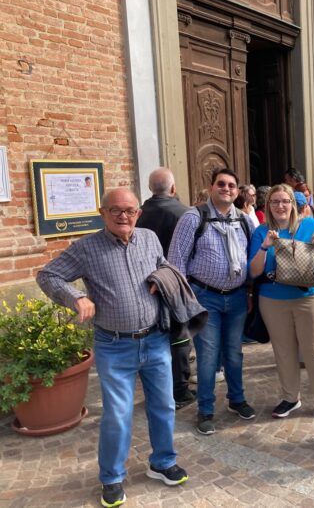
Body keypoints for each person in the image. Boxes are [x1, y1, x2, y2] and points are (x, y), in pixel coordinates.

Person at [37, 188, 188, 508]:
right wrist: (75, 297)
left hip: (155, 339)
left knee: (164, 405)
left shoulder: (149, 238)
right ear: (102, 212)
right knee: (118, 416)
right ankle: (112, 477)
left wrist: (161, 276)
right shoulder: (86, 248)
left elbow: (165, 265)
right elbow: (48, 275)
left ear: (139, 212)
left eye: (130, 210)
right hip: (114, 346)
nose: (124, 216)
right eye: (116, 210)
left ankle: (162, 462)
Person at [169, 168, 255, 436]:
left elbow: (251, 259)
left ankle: (236, 399)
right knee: (207, 357)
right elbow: (176, 261)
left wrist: (251, 292)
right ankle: (205, 411)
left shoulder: (244, 221)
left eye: (232, 185)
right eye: (221, 184)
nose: (226, 188)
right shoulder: (193, 218)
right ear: (210, 187)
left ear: (238, 192)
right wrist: (184, 301)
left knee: (234, 353)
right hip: (205, 298)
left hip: (238, 297)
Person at [248, 184, 314, 421]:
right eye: (275, 202)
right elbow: (253, 271)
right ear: (268, 206)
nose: (280, 206)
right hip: (272, 299)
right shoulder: (261, 231)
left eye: (285, 201)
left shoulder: (309, 224)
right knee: (284, 351)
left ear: (293, 204)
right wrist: (264, 247)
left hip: (308, 297)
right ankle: (291, 397)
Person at [136, 168, 194, 410]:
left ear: (151, 188)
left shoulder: (136, 214)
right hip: (176, 283)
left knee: (152, 338)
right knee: (179, 337)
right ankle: (179, 391)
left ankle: (157, 390)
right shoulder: (185, 213)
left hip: (143, 285)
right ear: (173, 189)